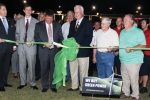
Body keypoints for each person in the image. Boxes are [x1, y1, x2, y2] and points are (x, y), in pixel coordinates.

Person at [34, 9, 64, 93]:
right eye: (47, 18)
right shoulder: (38, 25)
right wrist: (43, 44)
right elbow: (36, 38)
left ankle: (53, 85)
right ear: (44, 17)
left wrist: (60, 43)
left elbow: (61, 36)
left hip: (54, 51)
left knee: (53, 69)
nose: (50, 20)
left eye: (51, 18)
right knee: (44, 69)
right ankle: (45, 85)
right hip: (43, 50)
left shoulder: (57, 25)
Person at [119, 14, 146, 100]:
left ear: (132, 21)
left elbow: (143, 45)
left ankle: (135, 95)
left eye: (126, 19)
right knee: (125, 78)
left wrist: (131, 49)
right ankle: (126, 92)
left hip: (134, 60)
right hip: (123, 59)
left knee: (134, 79)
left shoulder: (138, 31)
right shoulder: (122, 32)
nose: (124, 21)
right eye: (124, 19)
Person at [67, 5, 93, 94]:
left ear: (82, 13)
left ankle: (83, 88)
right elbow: (69, 36)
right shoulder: (73, 23)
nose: (76, 14)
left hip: (83, 51)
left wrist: (80, 45)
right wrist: (69, 43)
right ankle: (74, 86)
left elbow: (89, 37)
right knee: (73, 69)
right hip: (73, 52)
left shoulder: (88, 23)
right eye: (75, 12)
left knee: (83, 71)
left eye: (78, 12)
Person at [15, 4, 38, 90]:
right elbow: (17, 34)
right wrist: (17, 39)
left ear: (32, 11)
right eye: (26, 9)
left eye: (30, 9)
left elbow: (37, 36)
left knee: (32, 66)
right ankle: (23, 82)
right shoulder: (19, 21)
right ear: (24, 10)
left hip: (31, 47)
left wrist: (33, 42)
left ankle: (32, 83)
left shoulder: (36, 22)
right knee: (22, 65)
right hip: (21, 46)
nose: (28, 11)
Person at [0, 3, 16, 91]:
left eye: (6, 9)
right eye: (3, 9)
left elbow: (12, 34)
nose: (5, 11)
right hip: (0, 47)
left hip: (9, 48)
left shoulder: (10, 20)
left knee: (6, 66)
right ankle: (0, 84)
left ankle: (4, 82)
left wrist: (14, 45)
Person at [62, 11, 75, 82]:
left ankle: (75, 78)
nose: (70, 17)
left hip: (74, 47)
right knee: (66, 63)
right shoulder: (64, 25)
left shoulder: (77, 24)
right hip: (65, 47)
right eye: (68, 15)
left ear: (74, 16)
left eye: (71, 15)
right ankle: (67, 77)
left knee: (73, 62)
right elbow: (60, 35)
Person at [139, 19, 150, 94]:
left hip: (148, 55)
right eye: (141, 23)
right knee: (142, 70)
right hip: (141, 54)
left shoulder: (149, 32)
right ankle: (140, 82)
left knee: (145, 71)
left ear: (148, 24)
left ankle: (144, 87)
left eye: (143, 23)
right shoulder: (140, 32)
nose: (141, 24)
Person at [11, 13, 23, 78]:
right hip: (14, 44)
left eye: (20, 18)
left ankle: (19, 71)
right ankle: (15, 72)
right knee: (14, 58)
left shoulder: (23, 25)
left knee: (20, 59)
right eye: (17, 18)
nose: (18, 19)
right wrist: (14, 44)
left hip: (21, 45)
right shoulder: (12, 26)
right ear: (15, 19)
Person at [35, 12, 45, 81]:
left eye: (43, 16)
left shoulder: (47, 25)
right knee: (37, 61)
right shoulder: (36, 25)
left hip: (45, 46)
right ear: (38, 18)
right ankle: (37, 75)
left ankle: (44, 75)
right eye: (40, 17)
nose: (42, 18)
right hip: (37, 46)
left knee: (45, 62)